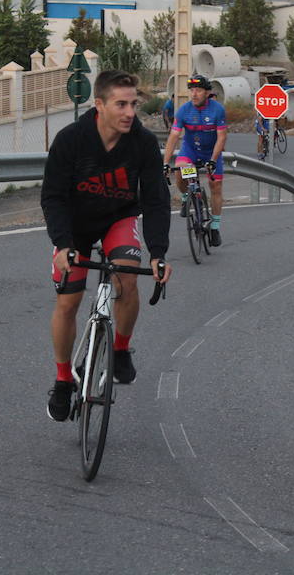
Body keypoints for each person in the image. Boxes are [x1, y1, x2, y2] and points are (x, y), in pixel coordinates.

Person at [41, 69, 173, 422]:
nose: (130, 112)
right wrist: (62, 244)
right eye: (121, 104)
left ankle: (120, 349)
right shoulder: (71, 140)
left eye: (133, 104)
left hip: (118, 217)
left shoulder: (142, 143)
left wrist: (159, 253)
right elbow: (53, 196)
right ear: (99, 105)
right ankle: (63, 378)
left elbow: (156, 200)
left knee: (128, 276)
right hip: (75, 227)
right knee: (68, 301)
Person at [163, 74, 228, 247]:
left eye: (198, 90)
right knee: (181, 171)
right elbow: (173, 136)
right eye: (191, 90)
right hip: (190, 151)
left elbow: (221, 138)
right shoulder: (184, 110)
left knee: (216, 186)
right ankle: (187, 197)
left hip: (211, 152)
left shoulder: (217, 110)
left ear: (207, 93)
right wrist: (165, 163)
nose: (194, 94)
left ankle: (214, 227)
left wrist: (213, 160)